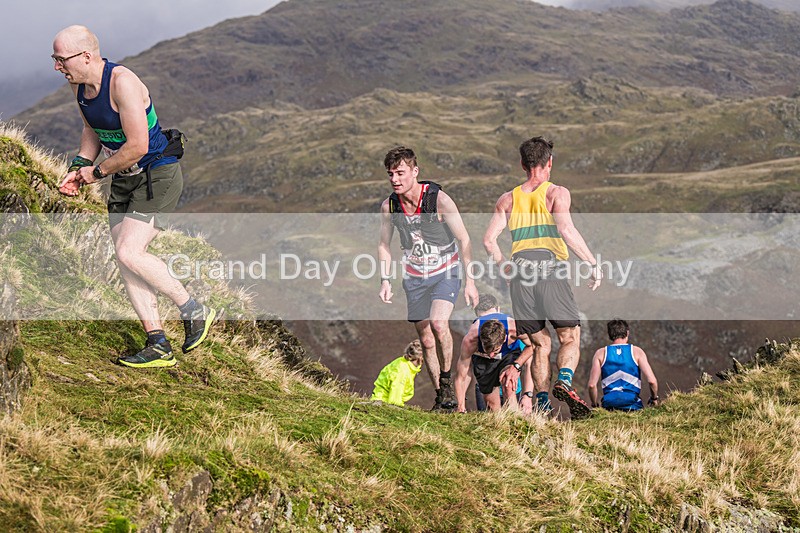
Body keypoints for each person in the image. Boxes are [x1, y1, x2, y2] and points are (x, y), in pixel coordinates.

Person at [53, 25, 215, 368]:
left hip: (156, 174)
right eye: (55, 59)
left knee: (129, 251)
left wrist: (96, 173)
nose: (57, 66)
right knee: (125, 257)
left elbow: (138, 146)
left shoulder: (122, 83)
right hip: (123, 179)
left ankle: (193, 309)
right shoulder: (79, 86)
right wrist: (79, 165)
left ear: (86, 56)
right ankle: (157, 343)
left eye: (62, 59)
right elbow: (91, 128)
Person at [484, 136, 601, 420]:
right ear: (549, 163)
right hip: (550, 270)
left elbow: (488, 241)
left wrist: (505, 267)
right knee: (569, 336)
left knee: (540, 344)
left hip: (520, 275)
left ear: (522, 164)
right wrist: (592, 263)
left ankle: (542, 400)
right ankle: (564, 380)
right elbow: (566, 230)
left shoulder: (507, 200)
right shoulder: (556, 193)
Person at [378, 146, 479, 411]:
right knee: (425, 339)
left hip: (445, 271)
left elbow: (464, 239)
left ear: (415, 171)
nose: (395, 179)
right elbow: (384, 244)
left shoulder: (439, 200)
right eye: (390, 174)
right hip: (414, 277)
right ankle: (441, 397)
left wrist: (470, 281)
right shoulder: (390, 206)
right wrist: (385, 280)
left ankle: (446, 381)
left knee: (438, 323)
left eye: (400, 173)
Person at [454, 294, 543, 414]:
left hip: (508, 355)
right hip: (483, 361)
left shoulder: (513, 330)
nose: (491, 355)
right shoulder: (471, 339)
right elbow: (461, 375)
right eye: (487, 350)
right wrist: (461, 406)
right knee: (492, 406)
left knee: (509, 383)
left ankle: (515, 419)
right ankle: (498, 421)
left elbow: (533, 346)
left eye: (495, 351)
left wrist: (516, 366)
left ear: (505, 338)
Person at [587, 319, 659, 411]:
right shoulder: (637, 352)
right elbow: (652, 381)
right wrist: (654, 399)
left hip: (609, 405)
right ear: (627, 333)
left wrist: (594, 404)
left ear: (609, 334)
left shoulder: (600, 353)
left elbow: (592, 385)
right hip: (633, 404)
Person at [371, 340, 425, 406]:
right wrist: (396, 406)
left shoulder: (404, 362)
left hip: (383, 399)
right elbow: (396, 393)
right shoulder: (403, 370)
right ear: (420, 358)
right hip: (383, 401)